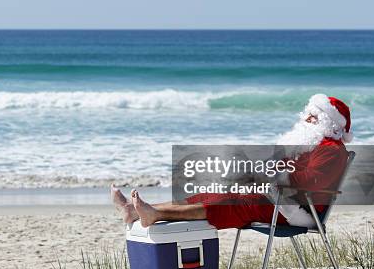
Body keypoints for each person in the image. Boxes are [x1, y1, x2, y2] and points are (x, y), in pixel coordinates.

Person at [112, 94, 353, 229]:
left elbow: (309, 182)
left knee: (228, 202)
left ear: (328, 123)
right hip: (280, 195)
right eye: (308, 112)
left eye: (313, 115)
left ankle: (153, 214)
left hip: (296, 209)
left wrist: (268, 174)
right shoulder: (307, 144)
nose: (306, 118)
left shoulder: (331, 150)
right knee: (213, 192)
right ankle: (135, 211)